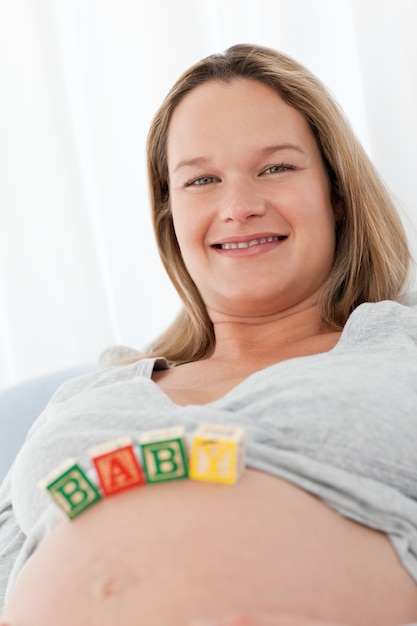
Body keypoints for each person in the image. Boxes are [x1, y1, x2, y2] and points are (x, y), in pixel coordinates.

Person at [1, 43, 417, 626]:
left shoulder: (404, 350)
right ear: (170, 216)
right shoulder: (89, 397)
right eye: (202, 180)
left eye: (276, 167)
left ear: (337, 194)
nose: (239, 205)